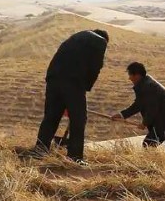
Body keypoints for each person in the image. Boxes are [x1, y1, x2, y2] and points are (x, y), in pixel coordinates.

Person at [33, 29, 108, 162]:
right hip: (72, 82)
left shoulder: (76, 37)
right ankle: (75, 157)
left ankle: (40, 150)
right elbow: (95, 68)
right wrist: (85, 88)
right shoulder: (100, 41)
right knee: (78, 119)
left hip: (53, 78)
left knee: (51, 116)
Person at [112, 61, 165, 155]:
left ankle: (155, 167)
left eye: (130, 75)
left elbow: (152, 109)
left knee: (149, 144)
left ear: (137, 75)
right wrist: (121, 115)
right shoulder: (145, 85)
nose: (129, 78)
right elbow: (138, 105)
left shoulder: (149, 87)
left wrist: (144, 123)